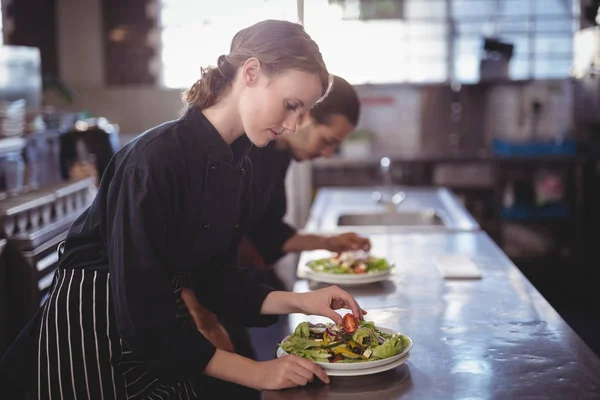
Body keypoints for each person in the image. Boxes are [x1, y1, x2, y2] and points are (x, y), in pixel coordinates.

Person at [0, 19, 367, 400]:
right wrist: (258, 373)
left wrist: (304, 302)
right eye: (291, 106)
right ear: (252, 72)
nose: (292, 125)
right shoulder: (153, 160)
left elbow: (217, 281)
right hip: (89, 342)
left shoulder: (238, 167)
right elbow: (142, 315)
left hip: (156, 345)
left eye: (302, 112)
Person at [181, 75, 371, 365]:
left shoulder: (278, 153)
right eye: (327, 141)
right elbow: (186, 246)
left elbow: (267, 231)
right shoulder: (229, 151)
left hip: (221, 286)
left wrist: (329, 242)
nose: (327, 154)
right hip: (191, 297)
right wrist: (204, 321)